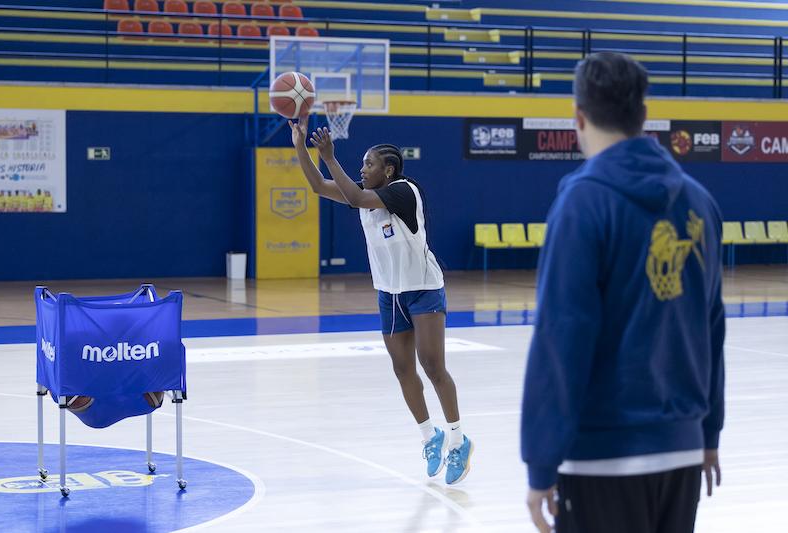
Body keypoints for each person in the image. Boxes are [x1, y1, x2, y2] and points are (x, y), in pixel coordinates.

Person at [521, 51, 725, 533]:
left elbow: (562, 337)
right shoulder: (699, 202)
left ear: (579, 117)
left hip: (601, 459)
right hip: (682, 452)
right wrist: (708, 432)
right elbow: (711, 329)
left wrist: (541, 463)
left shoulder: (582, 202)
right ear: (644, 115)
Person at [289, 116, 473, 484]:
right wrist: (300, 145)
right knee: (403, 369)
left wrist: (329, 156)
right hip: (389, 294)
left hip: (422, 288)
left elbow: (355, 196)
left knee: (433, 366)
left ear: (388, 170)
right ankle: (429, 436)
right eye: (362, 164)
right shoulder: (365, 193)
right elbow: (316, 186)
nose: (362, 168)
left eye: (369, 163)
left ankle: (457, 439)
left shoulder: (404, 191)